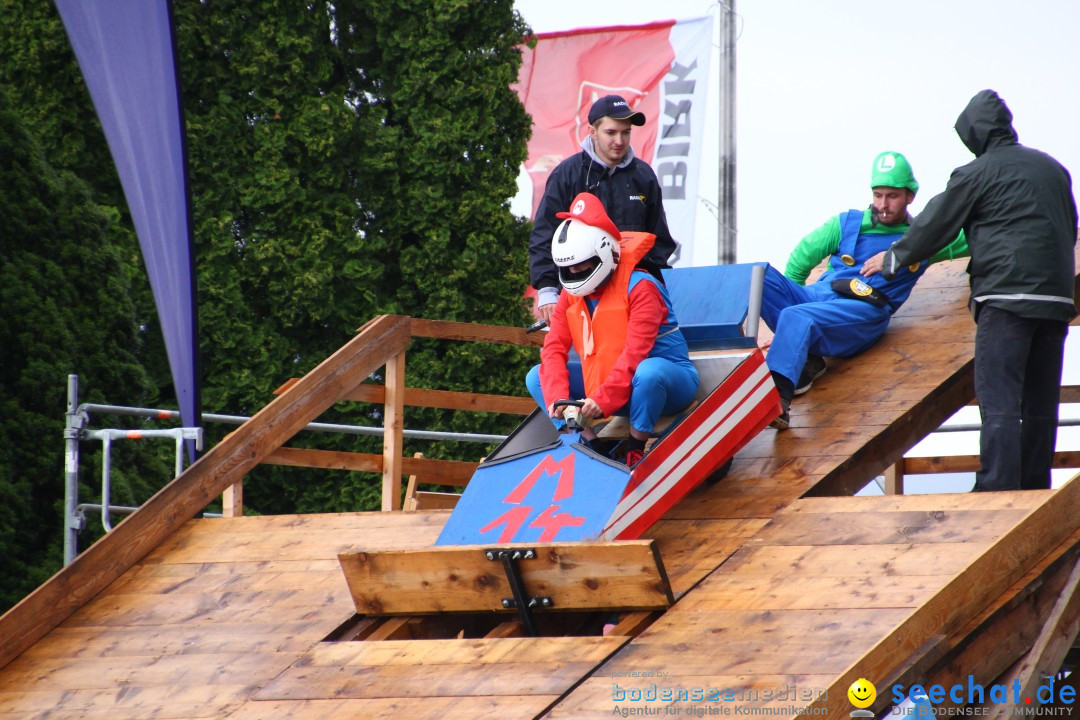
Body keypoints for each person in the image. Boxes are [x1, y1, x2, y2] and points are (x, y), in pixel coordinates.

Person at [879, 89, 1077, 491]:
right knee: (1040, 400)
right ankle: (1034, 483)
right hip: (1057, 300)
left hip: (1005, 299)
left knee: (999, 395)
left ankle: (997, 485)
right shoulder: (1053, 169)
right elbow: (1070, 225)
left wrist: (893, 259)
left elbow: (937, 223)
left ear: (973, 133)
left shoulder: (976, 173)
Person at [762, 151, 968, 430]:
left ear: (910, 196)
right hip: (817, 299)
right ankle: (805, 354)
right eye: (878, 195)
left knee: (797, 318)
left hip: (862, 311)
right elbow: (800, 260)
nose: (883, 204)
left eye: (892, 196)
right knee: (758, 275)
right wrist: (793, 333)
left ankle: (777, 402)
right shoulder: (845, 224)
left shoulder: (924, 237)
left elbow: (977, 235)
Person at [525, 192, 698, 467]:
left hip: (664, 383)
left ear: (603, 253)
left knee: (649, 372)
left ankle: (636, 446)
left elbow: (634, 356)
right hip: (609, 389)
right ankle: (590, 444)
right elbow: (554, 349)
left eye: (582, 265)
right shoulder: (570, 295)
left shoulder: (641, 287)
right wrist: (560, 399)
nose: (575, 272)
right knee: (537, 376)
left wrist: (600, 400)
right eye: (568, 268)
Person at [529, 94, 677, 324]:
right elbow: (544, 235)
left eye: (625, 132)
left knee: (635, 360)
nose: (619, 140)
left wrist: (660, 288)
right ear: (592, 132)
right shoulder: (567, 174)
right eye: (611, 132)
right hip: (578, 297)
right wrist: (547, 289)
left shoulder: (644, 176)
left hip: (634, 298)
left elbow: (659, 241)